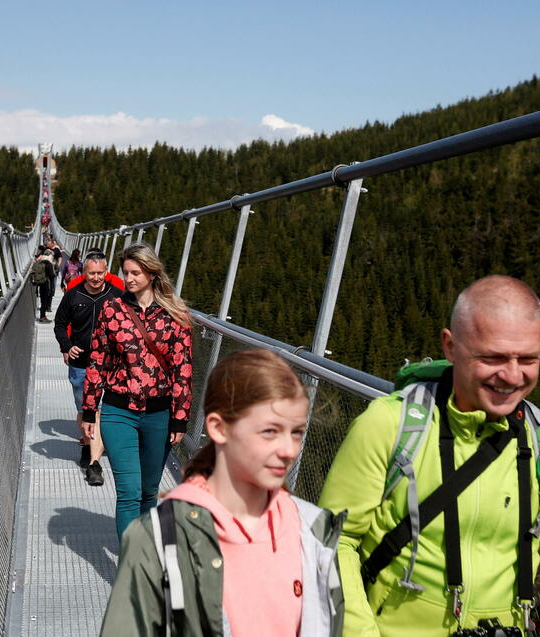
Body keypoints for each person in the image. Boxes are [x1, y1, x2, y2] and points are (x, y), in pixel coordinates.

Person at [318, 275, 540, 636]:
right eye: (493, 357)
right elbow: (334, 543)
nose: (512, 376)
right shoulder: (388, 424)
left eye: (528, 359)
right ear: (450, 346)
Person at [100, 349, 345, 636]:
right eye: (269, 431)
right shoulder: (158, 540)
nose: (289, 450)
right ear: (218, 428)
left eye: (296, 433)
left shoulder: (313, 530)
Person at [83, 243, 193, 538]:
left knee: (148, 492)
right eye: (126, 272)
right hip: (118, 411)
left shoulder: (176, 314)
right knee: (129, 492)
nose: (129, 279)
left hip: (159, 414)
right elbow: (97, 360)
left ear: (152, 273)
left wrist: (180, 418)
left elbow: (183, 369)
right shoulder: (111, 310)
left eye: (136, 273)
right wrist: (89, 410)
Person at [53, 250, 122, 486]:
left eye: (100, 273)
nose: (96, 278)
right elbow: (60, 324)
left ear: (106, 272)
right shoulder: (73, 295)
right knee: (84, 409)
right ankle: (86, 443)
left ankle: (94, 463)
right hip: (80, 363)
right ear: (84, 273)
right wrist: (66, 346)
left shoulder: (116, 295)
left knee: (99, 410)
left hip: (108, 364)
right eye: (91, 273)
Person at [31, 245, 55, 323]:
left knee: (42, 300)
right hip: (46, 284)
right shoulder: (48, 264)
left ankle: (42, 316)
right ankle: (43, 317)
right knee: (45, 301)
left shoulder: (40, 262)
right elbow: (51, 276)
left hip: (41, 284)